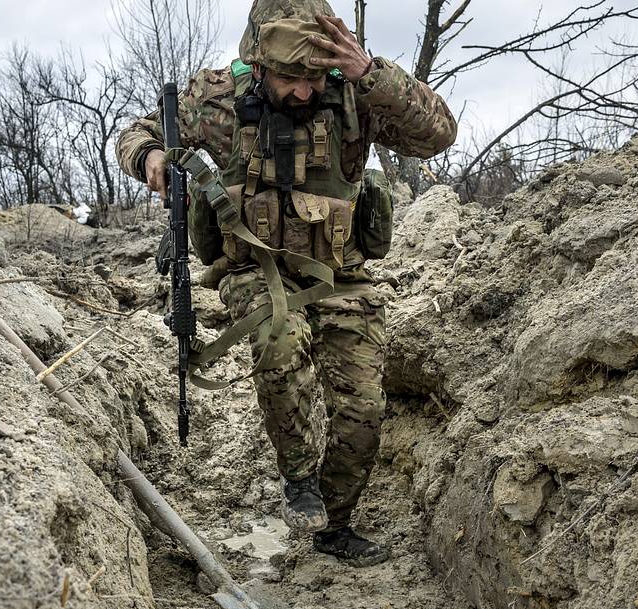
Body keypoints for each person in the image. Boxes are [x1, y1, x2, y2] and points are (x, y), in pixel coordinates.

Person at [117, 0, 456, 567]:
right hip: (254, 270)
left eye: (313, 78)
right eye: (290, 78)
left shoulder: (352, 93)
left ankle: (336, 521)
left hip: (340, 277)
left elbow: (439, 133)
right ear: (259, 64)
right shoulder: (218, 97)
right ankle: (298, 478)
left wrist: (370, 74)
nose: (304, 92)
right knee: (279, 339)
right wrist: (148, 155)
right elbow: (139, 131)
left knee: (364, 407)